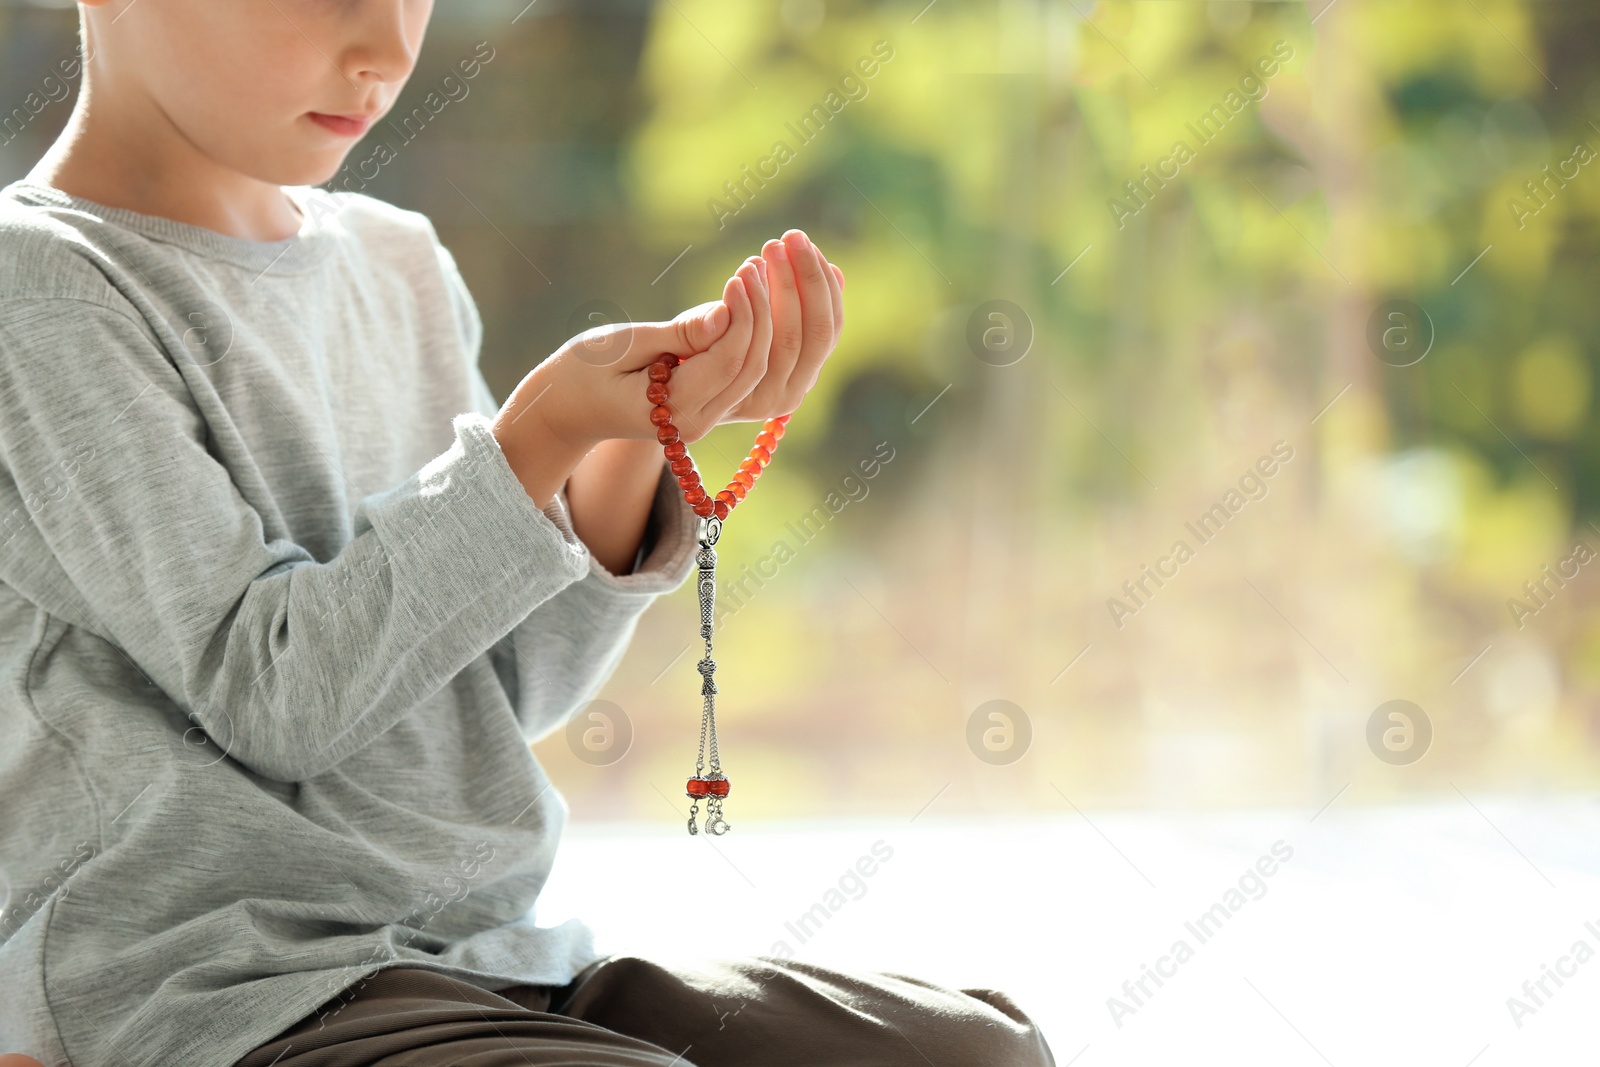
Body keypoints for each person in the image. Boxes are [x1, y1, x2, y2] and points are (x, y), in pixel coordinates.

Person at [0, 1, 1057, 1065]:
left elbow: (502, 691)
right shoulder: (39, 280)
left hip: (493, 957)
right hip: (215, 990)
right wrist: (534, 434)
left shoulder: (395, 260)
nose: (385, 49)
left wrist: (633, 433)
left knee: (978, 1052)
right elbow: (272, 693)